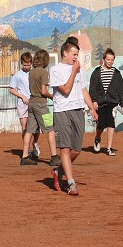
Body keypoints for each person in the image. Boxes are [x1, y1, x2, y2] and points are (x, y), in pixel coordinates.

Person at [49, 39, 98, 196]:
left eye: (77, 55)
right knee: (65, 148)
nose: (76, 58)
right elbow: (65, 89)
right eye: (74, 54)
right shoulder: (55, 70)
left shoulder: (79, 71)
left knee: (76, 150)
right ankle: (71, 183)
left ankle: (58, 171)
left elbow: (83, 90)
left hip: (78, 110)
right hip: (62, 111)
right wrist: (73, 71)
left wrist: (91, 108)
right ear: (65, 53)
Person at [21, 49, 59, 167]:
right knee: (50, 129)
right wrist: (52, 97)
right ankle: (54, 157)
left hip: (31, 103)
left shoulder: (31, 72)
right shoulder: (43, 72)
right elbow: (43, 91)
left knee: (29, 130)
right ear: (46, 60)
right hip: (41, 105)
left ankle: (25, 156)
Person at [89, 48, 123, 156]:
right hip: (100, 103)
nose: (110, 62)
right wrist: (94, 101)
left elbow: (121, 89)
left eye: (112, 60)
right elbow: (92, 88)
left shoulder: (117, 73)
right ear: (104, 59)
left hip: (112, 102)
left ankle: (109, 148)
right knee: (101, 125)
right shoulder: (96, 72)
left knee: (111, 124)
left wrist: (122, 104)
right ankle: (97, 137)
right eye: (108, 59)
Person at [9, 52, 40, 159]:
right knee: (25, 127)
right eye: (25, 65)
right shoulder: (17, 75)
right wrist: (22, 96)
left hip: (34, 101)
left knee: (36, 127)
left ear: (31, 63)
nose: (26, 67)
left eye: (28, 64)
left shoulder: (35, 73)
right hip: (23, 104)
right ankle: (27, 150)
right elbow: (11, 89)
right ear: (22, 63)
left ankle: (35, 143)